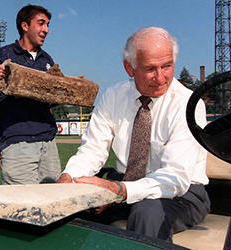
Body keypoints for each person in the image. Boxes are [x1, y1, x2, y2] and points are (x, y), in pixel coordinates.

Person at [57, 27, 210, 242]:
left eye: (167, 66)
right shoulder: (113, 96)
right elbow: (92, 151)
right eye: (150, 69)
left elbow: (175, 177)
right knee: (68, 208)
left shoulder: (188, 104)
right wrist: (69, 179)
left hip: (181, 192)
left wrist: (119, 190)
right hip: (124, 183)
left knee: (148, 212)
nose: (160, 77)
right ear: (130, 68)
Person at [0, 4, 61, 185]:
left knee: (53, 203)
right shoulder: (5, 54)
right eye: (41, 23)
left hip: (48, 141)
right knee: (21, 206)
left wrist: (66, 91)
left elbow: (46, 102)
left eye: (48, 25)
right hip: (18, 142)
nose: (46, 30)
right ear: (25, 26)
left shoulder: (47, 60)